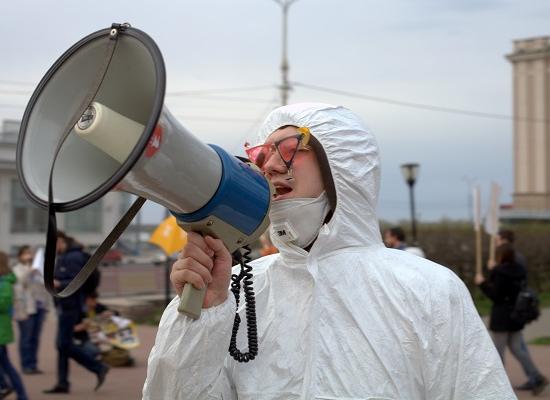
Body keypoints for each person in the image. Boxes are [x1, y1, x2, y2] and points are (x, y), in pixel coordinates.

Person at [143, 103, 515, 399]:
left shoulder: (427, 288)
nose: (269, 166)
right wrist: (202, 318)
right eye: (261, 154)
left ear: (343, 166)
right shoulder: (239, 291)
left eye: (289, 150)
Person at [476, 243, 548, 395]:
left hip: (502, 317)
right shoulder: (520, 270)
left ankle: (497, 386)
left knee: (498, 352)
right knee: (517, 349)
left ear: (500, 256)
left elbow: (496, 295)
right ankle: (536, 376)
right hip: (516, 315)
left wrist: (482, 283)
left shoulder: (499, 272)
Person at [43, 231, 109, 394]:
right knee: (62, 345)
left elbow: (77, 281)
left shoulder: (72, 257)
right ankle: (63, 383)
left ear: (60, 241)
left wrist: (59, 283)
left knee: (63, 344)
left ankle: (98, 367)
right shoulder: (66, 255)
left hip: (70, 306)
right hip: (66, 305)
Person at [12, 245, 49, 374]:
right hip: (26, 309)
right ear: (20, 256)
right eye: (25, 253)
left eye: (30, 253)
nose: (28, 256)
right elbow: (20, 283)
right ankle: (26, 365)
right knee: (26, 338)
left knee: (35, 338)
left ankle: (33, 364)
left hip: (39, 307)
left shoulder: (38, 269)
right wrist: (29, 270)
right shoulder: (17, 269)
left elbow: (44, 288)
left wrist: (46, 307)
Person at [0, 251, 28, 400]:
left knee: (7, 366)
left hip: (1, 330)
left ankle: (6, 386)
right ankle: (19, 393)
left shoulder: (4, 283)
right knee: (6, 365)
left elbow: (4, 304)